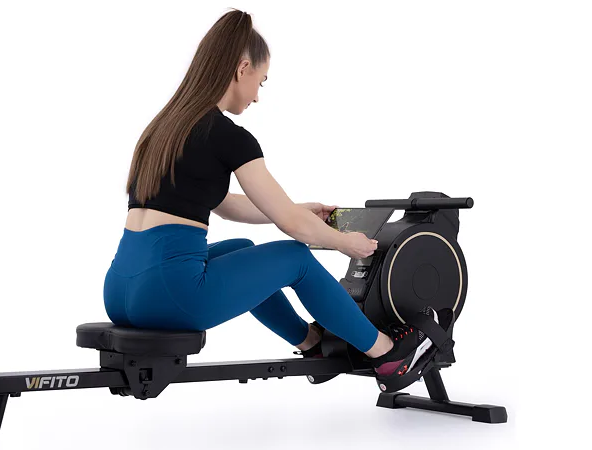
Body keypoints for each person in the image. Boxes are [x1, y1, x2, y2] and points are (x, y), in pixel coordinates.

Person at [103, 9, 436, 382]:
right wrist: (345, 243)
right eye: (261, 81)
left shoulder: (164, 129)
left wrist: (297, 208)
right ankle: (387, 355)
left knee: (241, 248)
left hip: (121, 291)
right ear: (242, 68)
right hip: (171, 294)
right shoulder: (228, 136)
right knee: (295, 257)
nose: (258, 96)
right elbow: (294, 228)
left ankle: (311, 342)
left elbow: (226, 205)